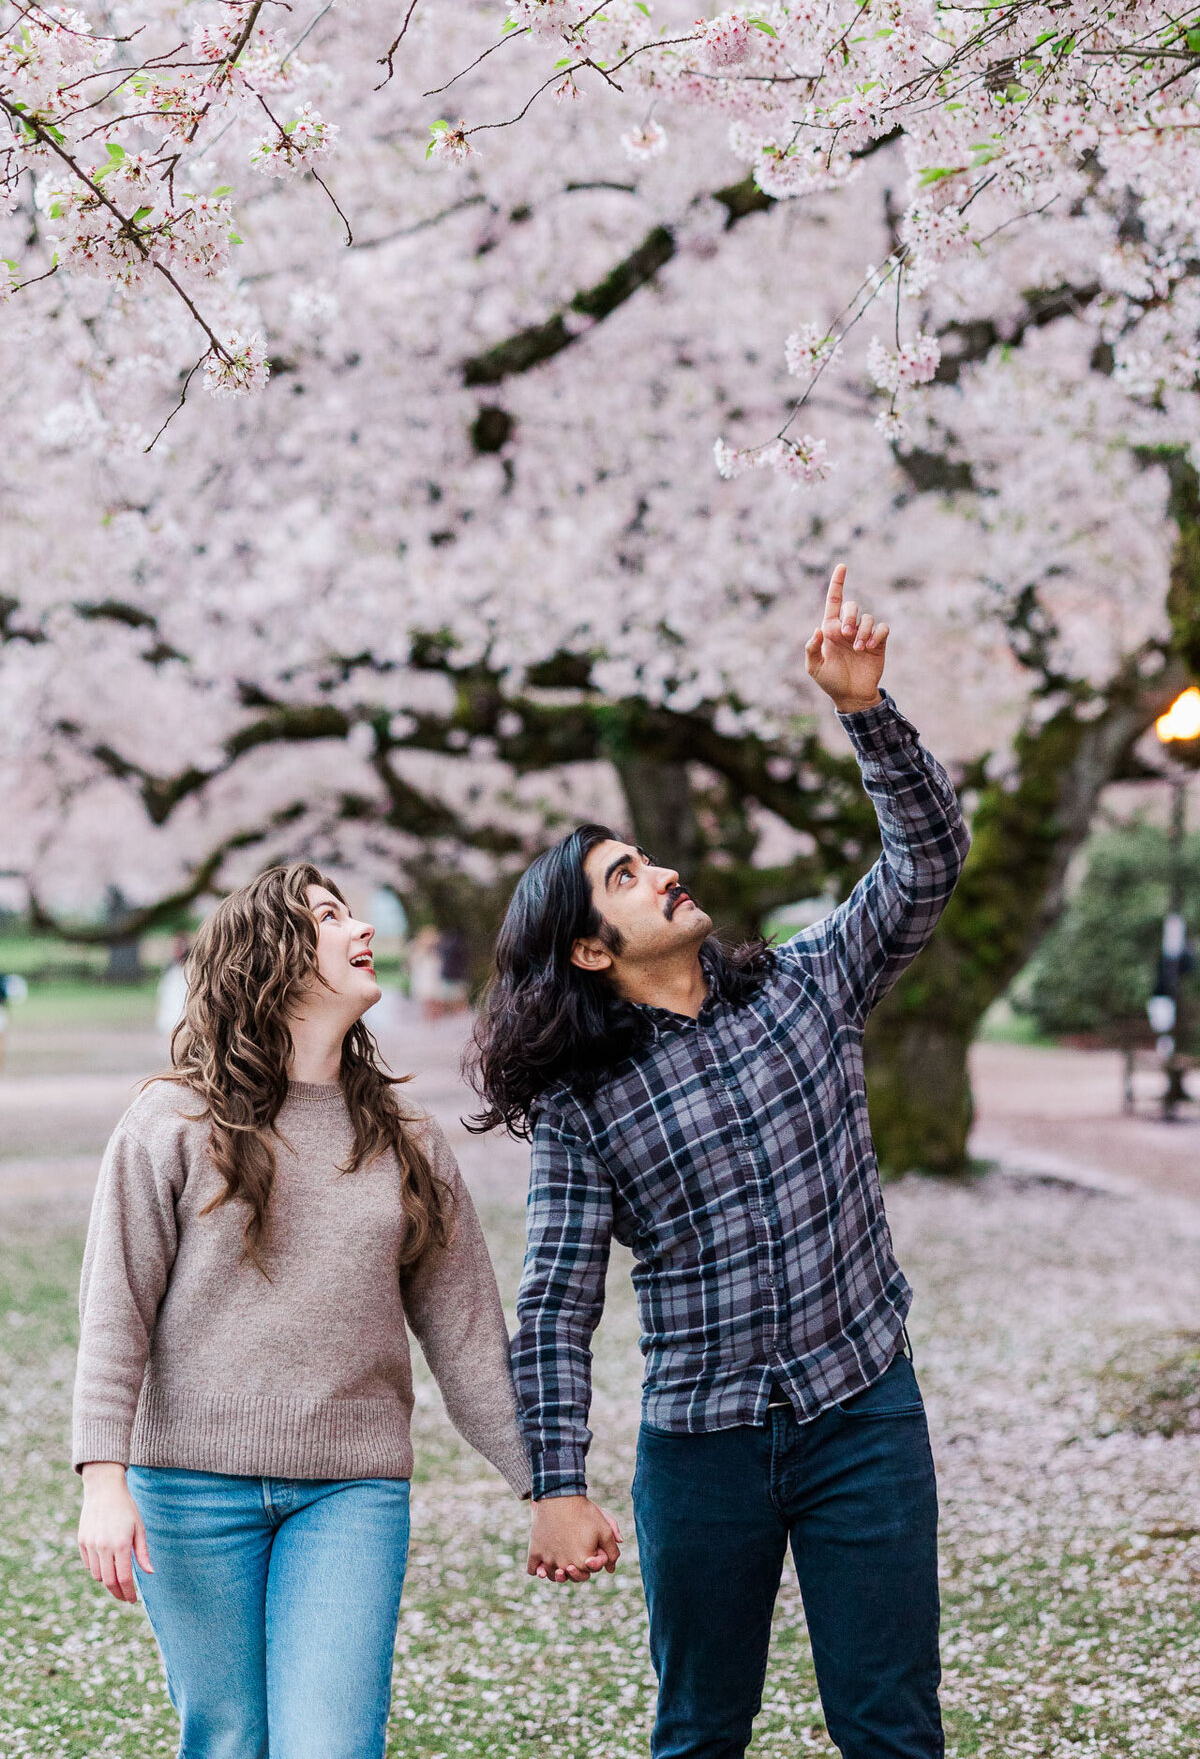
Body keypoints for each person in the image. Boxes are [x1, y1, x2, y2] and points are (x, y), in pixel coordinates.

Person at [469, 565, 972, 1759]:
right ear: (592, 951)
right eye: (626, 879)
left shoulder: (808, 989)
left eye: (647, 860)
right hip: (702, 1449)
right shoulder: (589, 1105)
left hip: (866, 1411)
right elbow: (554, 1303)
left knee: (893, 1728)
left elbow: (929, 863)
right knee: (699, 1732)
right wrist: (556, 1480)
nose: (662, 875)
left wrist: (865, 712)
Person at [73, 862, 531, 1759]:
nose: (361, 927)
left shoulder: (407, 1139)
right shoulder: (169, 1122)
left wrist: (546, 1485)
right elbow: (113, 1309)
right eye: (329, 915)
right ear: (270, 959)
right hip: (189, 1489)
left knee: (330, 1745)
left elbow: (468, 1334)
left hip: (352, 1491)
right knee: (231, 1737)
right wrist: (103, 1482)